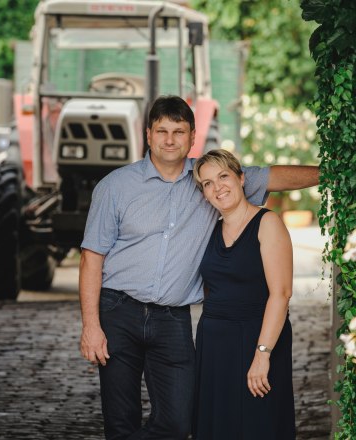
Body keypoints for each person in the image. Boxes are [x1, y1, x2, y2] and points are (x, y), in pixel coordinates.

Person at [78, 95, 318, 440]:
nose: (170, 139)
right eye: (162, 131)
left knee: (179, 422)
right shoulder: (116, 186)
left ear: (193, 136)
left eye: (179, 131)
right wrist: (91, 326)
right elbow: (91, 257)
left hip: (172, 318)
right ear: (148, 135)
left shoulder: (208, 178)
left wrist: (335, 173)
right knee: (120, 420)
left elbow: (276, 176)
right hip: (118, 311)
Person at [191, 149, 295, 439]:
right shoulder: (210, 229)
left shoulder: (267, 223)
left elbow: (281, 294)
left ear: (241, 178)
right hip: (214, 345)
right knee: (218, 425)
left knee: (256, 423)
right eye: (208, 183)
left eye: (223, 176)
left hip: (257, 338)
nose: (217, 187)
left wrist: (262, 355)